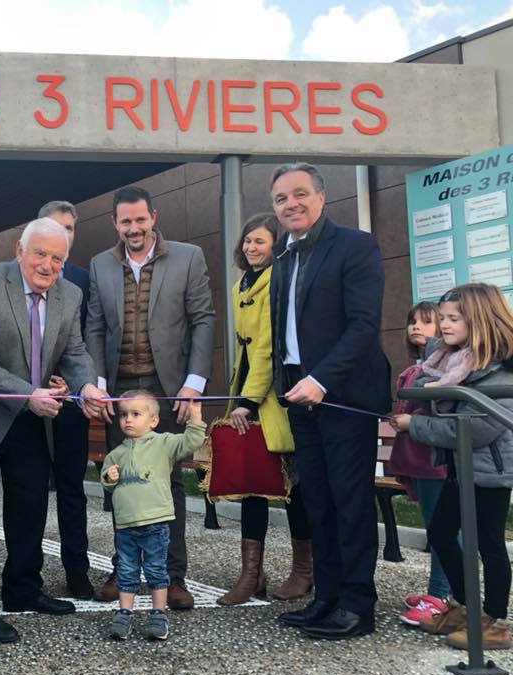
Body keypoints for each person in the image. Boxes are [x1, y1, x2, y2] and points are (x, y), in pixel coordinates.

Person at [0, 216, 107, 643]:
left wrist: (87, 385)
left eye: (58, 258)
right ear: (19, 251)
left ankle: (23, 590)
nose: (48, 265)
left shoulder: (71, 294)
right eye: (40, 254)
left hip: (30, 417)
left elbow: (75, 351)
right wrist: (28, 393)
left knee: (29, 507)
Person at [269, 163, 390, 640]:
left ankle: (358, 605)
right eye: (281, 198)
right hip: (300, 394)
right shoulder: (283, 256)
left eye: (299, 194)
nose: (290, 204)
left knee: (350, 501)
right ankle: (327, 597)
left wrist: (321, 379)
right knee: (316, 500)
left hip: (342, 396)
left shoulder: (355, 246)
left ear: (321, 196)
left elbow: (363, 325)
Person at [86, 185, 216, 608]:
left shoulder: (187, 256)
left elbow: (203, 319)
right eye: (125, 221)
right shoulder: (99, 265)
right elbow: (95, 327)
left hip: (169, 387)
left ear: (154, 217)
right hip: (119, 390)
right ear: (115, 223)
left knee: (168, 481)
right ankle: (122, 569)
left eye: (140, 219)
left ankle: (172, 576)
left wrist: (194, 381)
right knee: (118, 480)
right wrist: (98, 383)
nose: (134, 228)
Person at [390, 283, 513, 651]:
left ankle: (496, 621)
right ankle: (464, 606)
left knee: (490, 543)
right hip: (461, 468)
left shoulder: (501, 370)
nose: (443, 325)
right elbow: (433, 388)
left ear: (479, 319)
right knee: (442, 533)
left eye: (453, 318)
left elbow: (475, 428)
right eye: (442, 317)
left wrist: (416, 425)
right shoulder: (450, 361)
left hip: (491, 471)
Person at [217, 213, 312, 606]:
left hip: (272, 399)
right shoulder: (243, 282)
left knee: (293, 486)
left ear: (276, 245)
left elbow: (268, 345)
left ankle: (304, 571)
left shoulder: (279, 279)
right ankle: (251, 575)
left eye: (259, 241)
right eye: (247, 241)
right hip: (246, 393)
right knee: (250, 483)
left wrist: (248, 400)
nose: (251, 248)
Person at [101, 389, 206, 641]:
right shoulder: (116, 453)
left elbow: (190, 442)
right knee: (126, 571)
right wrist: (108, 477)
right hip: (125, 525)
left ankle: (158, 614)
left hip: (155, 523)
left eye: (136, 414)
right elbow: (106, 480)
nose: (127, 419)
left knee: (156, 570)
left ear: (153, 421)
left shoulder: (164, 443)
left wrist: (195, 417)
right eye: (124, 414)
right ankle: (125, 612)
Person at [37, 200, 94, 600]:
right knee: (33, 489)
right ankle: (28, 571)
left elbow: (85, 342)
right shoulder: (24, 272)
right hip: (30, 401)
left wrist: (75, 383)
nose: (64, 234)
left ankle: (77, 569)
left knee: (74, 488)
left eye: (70, 228)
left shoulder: (82, 282)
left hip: (71, 398)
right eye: (56, 227)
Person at [389, 301, 450, 627]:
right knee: (436, 528)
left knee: (443, 531)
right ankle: (440, 592)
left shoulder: (441, 366)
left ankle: (441, 596)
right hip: (420, 461)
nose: (416, 327)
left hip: (435, 461)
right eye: (412, 321)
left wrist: (408, 420)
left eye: (426, 322)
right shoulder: (419, 364)